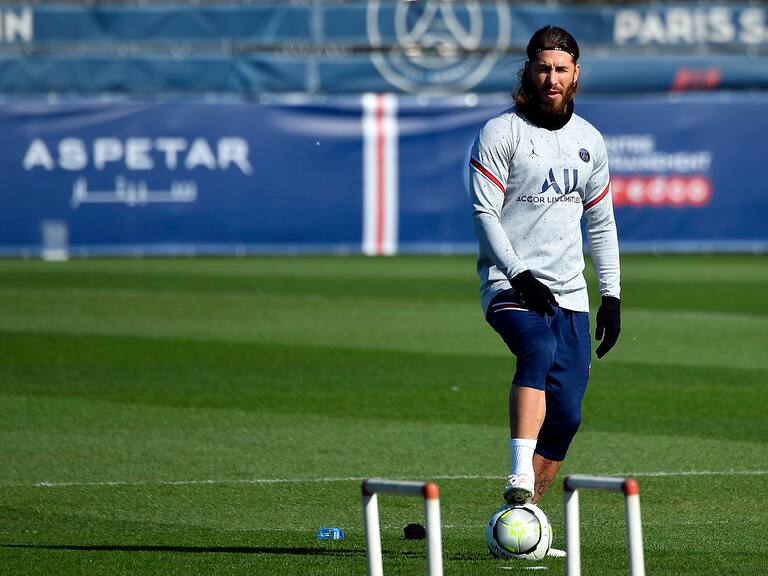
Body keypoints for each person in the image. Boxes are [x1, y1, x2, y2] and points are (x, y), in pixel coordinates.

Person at [468, 26, 621, 508]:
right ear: (528, 71)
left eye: (561, 69)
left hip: (569, 293)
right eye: (543, 68)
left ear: (576, 73)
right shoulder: (501, 132)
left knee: (568, 417)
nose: (551, 78)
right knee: (536, 345)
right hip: (508, 282)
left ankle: (521, 516)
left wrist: (611, 296)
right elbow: (484, 214)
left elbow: (601, 225)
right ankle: (517, 474)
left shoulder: (590, 141)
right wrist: (517, 273)